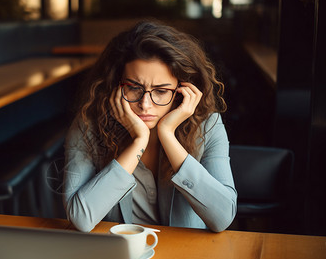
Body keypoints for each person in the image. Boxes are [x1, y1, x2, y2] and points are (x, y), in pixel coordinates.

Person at [63, 20, 237, 233]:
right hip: (120, 257)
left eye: (161, 91)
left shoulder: (207, 126)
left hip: (188, 258)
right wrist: (138, 142)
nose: (145, 104)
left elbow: (222, 217)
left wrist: (167, 135)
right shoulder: (89, 125)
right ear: (115, 85)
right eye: (134, 88)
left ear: (182, 91)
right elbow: (80, 218)